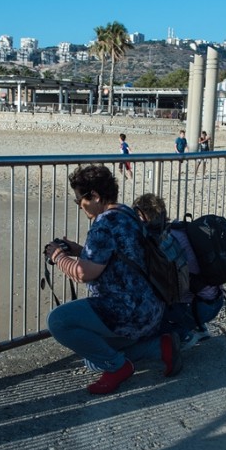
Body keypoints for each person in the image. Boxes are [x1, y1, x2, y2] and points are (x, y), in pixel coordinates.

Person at [44, 165, 182, 395]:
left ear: (95, 196)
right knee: (91, 360)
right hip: (151, 310)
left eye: (80, 201)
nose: (80, 206)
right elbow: (116, 256)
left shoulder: (103, 225)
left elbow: (83, 273)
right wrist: (78, 250)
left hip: (126, 312)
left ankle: (118, 368)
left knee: (58, 321)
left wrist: (58, 257)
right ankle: (160, 347)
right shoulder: (127, 213)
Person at [133, 193, 225, 350]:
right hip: (216, 299)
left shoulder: (164, 242)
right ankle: (199, 327)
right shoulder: (180, 228)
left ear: (142, 217)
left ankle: (184, 335)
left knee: (148, 317)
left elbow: (174, 288)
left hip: (197, 306)